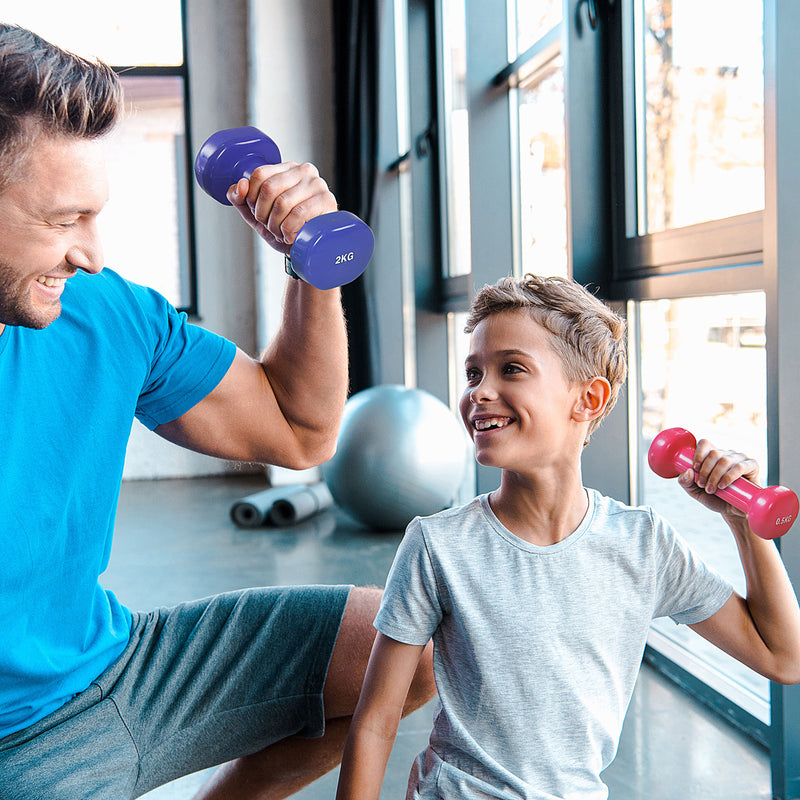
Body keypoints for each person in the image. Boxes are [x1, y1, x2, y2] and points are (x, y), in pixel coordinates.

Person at [0, 23, 434, 800]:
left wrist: (313, 267)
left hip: (120, 670)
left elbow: (300, 431)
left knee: (403, 644)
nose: (92, 252)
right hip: (13, 749)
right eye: (64, 221)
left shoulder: (102, 312)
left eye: (95, 217)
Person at [335, 273, 800, 800]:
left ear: (589, 398)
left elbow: (784, 658)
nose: (479, 392)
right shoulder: (437, 545)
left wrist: (742, 521)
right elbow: (374, 724)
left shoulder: (643, 545)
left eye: (511, 369)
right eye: (472, 373)